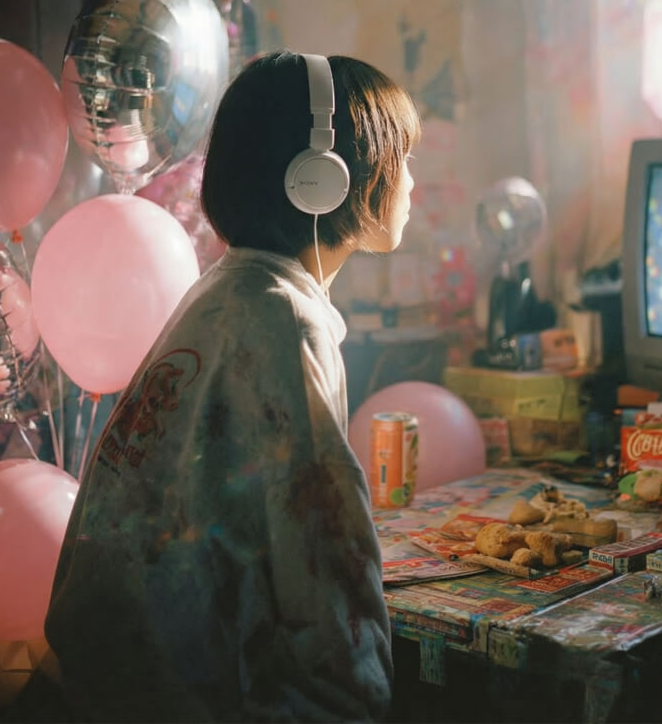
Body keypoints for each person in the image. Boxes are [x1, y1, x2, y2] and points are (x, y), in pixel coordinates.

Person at [41, 50, 421, 722]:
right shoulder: (282, 321)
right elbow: (329, 563)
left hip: (111, 689)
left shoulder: (227, 290)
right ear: (324, 177)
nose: (411, 181)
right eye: (403, 159)